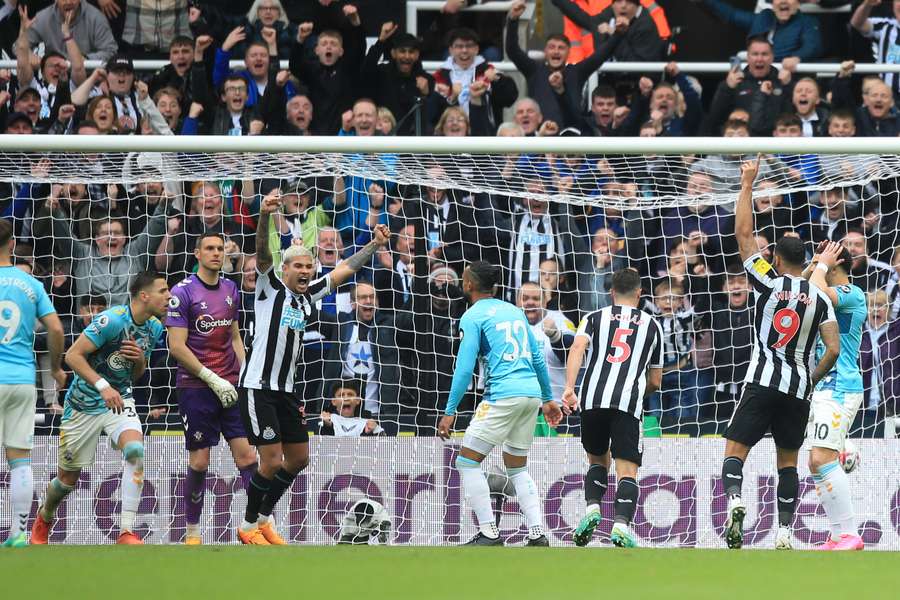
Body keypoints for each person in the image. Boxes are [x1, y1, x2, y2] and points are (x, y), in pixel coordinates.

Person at [235, 189, 390, 545]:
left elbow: (344, 269)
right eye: (298, 266)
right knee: (271, 461)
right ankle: (247, 528)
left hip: (286, 391)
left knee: (299, 458)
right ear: (284, 269)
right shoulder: (269, 287)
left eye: (309, 266)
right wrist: (263, 216)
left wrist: (374, 246)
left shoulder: (309, 294)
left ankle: (263, 518)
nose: (306, 271)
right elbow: (260, 254)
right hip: (258, 387)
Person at [721, 155, 839, 551]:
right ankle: (786, 531)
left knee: (735, 450)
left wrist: (747, 185)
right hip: (797, 389)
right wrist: (810, 379)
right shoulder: (821, 298)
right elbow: (834, 349)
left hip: (761, 381)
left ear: (775, 259)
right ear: (805, 262)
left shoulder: (767, 283)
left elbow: (742, 235)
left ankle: (736, 501)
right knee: (787, 461)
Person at [31, 271, 170, 545]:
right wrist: (103, 386)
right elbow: (72, 356)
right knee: (67, 480)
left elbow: (135, 376)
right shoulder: (112, 320)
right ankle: (45, 517)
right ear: (144, 295)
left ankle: (126, 531)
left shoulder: (154, 327)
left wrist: (140, 360)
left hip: (120, 400)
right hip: (83, 403)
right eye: (163, 290)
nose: (169, 296)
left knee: (135, 451)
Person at [437, 261, 560, 546]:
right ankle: (537, 533)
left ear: (468, 284)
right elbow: (538, 358)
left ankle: (489, 532)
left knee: (467, 461)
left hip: (503, 394)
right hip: (530, 394)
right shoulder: (514, 312)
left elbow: (465, 369)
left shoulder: (472, 316)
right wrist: (547, 399)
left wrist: (449, 411)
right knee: (517, 467)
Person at [165, 232, 258, 545]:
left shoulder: (231, 288)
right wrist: (210, 377)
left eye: (220, 248)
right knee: (200, 461)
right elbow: (176, 346)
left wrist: (244, 372)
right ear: (197, 253)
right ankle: (192, 532)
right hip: (197, 387)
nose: (216, 253)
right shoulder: (182, 292)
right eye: (210, 248)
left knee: (247, 457)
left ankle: (255, 526)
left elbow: (234, 335)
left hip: (231, 385)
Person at [563, 268, 663, 548]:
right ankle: (620, 525)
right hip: (627, 404)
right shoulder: (653, 325)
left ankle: (592, 508)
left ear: (611, 292)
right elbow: (656, 379)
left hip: (593, 400)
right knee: (627, 470)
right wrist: (637, 388)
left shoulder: (593, 318)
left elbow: (577, 348)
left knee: (597, 461)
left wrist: (570, 388)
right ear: (640, 293)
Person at [0, 219, 65, 548]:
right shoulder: (30, 284)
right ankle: (18, 534)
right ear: (12, 245)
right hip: (23, 380)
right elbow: (55, 329)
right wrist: (54, 368)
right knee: (20, 459)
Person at [804, 241, 867, 551]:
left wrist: (822, 265)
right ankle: (837, 534)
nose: (816, 263)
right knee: (815, 464)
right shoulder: (826, 287)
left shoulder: (852, 294)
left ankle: (852, 534)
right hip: (825, 387)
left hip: (842, 386)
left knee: (820, 458)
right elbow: (803, 291)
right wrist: (816, 266)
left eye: (823, 259)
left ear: (837, 264)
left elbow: (815, 292)